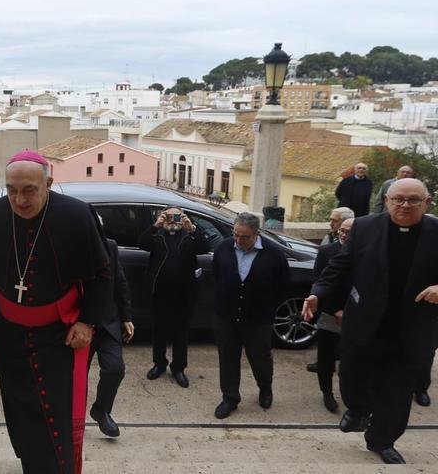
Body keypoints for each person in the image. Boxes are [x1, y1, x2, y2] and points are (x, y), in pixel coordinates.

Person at [0, 150, 111, 474]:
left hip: (60, 336)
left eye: (29, 190)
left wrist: (88, 322)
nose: (19, 200)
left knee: (56, 418)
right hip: (7, 336)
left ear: (48, 183)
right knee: (21, 415)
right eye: (12, 190)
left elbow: (101, 274)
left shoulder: (76, 215)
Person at [303, 178, 438, 465]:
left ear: (427, 203)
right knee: (352, 380)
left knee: (397, 395)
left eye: (414, 200)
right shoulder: (364, 227)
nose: (405, 205)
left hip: (411, 331)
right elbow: (339, 267)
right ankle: (358, 408)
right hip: (364, 324)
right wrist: (317, 294)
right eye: (398, 198)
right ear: (386, 200)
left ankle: (381, 440)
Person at [211, 212, 289, 419]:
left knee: (260, 359)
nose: (238, 240)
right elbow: (216, 276)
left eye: (244, 236)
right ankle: (230, 397)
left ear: (256, 234)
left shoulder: (274, 254)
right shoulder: (223, 248)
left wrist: (265, 306)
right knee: (228, 359)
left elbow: (282, 286)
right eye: (235, 234)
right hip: (226, 318)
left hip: (258, 320)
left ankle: (265, 389)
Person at [137, 206, 210, 388]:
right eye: (168, 216)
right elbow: (141, 243)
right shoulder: (157, 235)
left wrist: (191, 228)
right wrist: (156, 225)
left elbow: (205, 247)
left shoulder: (188, 236)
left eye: (176, 216)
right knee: (159, 332)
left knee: (181, 333)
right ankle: (159, 364)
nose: (173, 221)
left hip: (184, 294)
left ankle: (178, 368)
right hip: (159, 293)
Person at [88, 233, 133, 437]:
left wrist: (126, 317)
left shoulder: (110, 246)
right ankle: (70, 416)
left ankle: (102, 410)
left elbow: (120, 283)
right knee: (72, 377)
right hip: (78, 325)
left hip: (108, 322)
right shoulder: (67, 246)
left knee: (115, 368)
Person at [311, 217, 354, 412]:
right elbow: (319, 283)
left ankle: (351, 395)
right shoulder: (326, 251)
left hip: (357, 315)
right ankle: (327, 393)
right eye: (341, 231)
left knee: (351, 358)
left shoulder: (367, 252)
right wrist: (335, 310)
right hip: (330, 313)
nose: (344, 235)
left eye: (349, 231)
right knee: (326, 356)